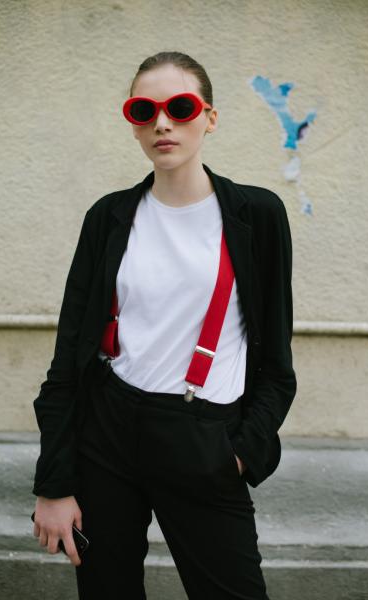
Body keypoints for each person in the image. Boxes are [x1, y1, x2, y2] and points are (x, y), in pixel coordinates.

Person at [31, 51, 297, 600]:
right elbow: (69, 357)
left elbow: (276, 361)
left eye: (180, 107)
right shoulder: (108, 217)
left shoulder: (257, 215)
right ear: (132, 123)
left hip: (203, 437)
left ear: (210, 118)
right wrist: (53, 484)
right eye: (143, 110)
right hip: (107, 434)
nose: (161, 123)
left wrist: (241, 453)